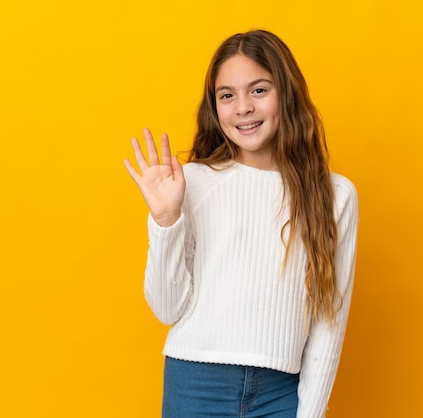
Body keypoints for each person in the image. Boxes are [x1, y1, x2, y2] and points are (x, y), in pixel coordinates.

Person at [124, 30, 358, 418]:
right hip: (195, 385)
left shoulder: (335, 195)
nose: (243, 107)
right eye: (227, 95)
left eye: (259, 90)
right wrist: (166, 221)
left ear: (288, 94)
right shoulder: (192, 182)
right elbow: (167, 309)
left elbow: (328, 323)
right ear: (214, 107)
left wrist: (310, 412)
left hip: (281, 393)